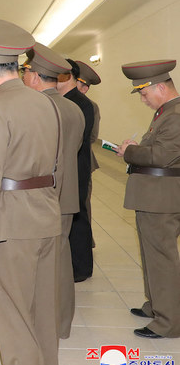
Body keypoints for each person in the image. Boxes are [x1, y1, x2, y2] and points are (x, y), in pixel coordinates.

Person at [0, 17, 63, 365]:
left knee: (13, 321)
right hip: (45, 220)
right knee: (42, 317)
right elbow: (58, 168)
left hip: (8, 229)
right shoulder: (45, 103)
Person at [21, 43, 84, 340]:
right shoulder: (73, 108)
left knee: (40, 263)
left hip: (42, 196)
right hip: (67, 195)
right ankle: (61, 324)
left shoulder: (36, 108)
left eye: (25, 72)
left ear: (34, 76)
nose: (23, 77)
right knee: (61, 260)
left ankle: (44, 323)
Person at [116, 59, 180, 339]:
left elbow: (161, 156)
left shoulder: (175, 115)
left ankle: (169, 322)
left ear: (160, 88)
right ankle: (156, 306)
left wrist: (130, 151)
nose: (143, 100)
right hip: (155, 196)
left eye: (144, 93)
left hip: (161, 198)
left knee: (162, 260)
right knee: (152, 257)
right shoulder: (167, 113)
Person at [57, 59, 95, 282]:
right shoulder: (66, 100)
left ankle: (81, 268)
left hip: (76, 165)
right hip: (68, 165)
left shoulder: (80, 103)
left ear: (68, 76)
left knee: (78, 214)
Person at [75, 61, 101, 244]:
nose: (84, 89)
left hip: (83, 160)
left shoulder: (90, 106)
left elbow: (92, 137)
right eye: (81, 84)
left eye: (87, 86)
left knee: (83, 203)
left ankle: (85, 241)